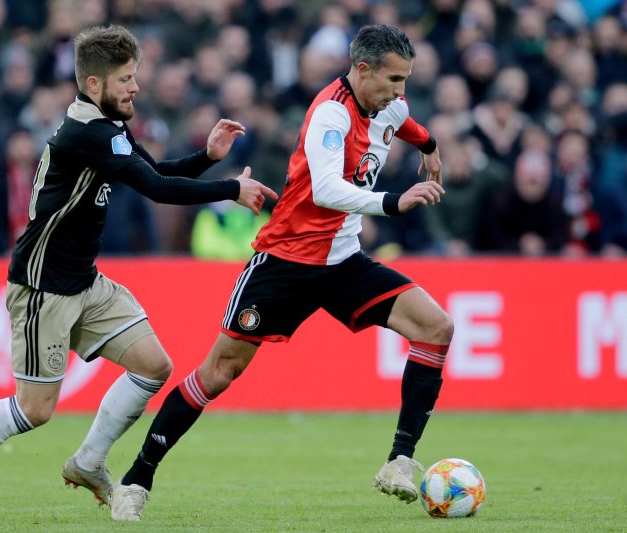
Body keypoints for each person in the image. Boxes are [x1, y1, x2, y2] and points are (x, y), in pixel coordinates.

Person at [0, 24, 277, 520]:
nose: (135, 87)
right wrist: (230, 189)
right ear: (94, 84)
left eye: (135, 76)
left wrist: (206, 158)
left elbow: (155, 172)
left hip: (83, 280)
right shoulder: (87, 133)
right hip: (42, 287)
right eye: (125, 78)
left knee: (153, 365)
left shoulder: (108, 127)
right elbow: (157, 191)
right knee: (35, 410)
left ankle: (88, 460)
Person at [111, 24, 452, 521]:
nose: (400, 92)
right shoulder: (329, 115)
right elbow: (326, 191)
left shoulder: (390, 106)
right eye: (393, 80)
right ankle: (136, 478)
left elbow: (408, 123)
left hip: (342, 262)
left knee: (437, 328)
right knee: (219, 372)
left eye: (406, 81)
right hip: (286, 262)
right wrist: (395, 201)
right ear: (362, 70)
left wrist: (429, 146)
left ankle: (399, 461)